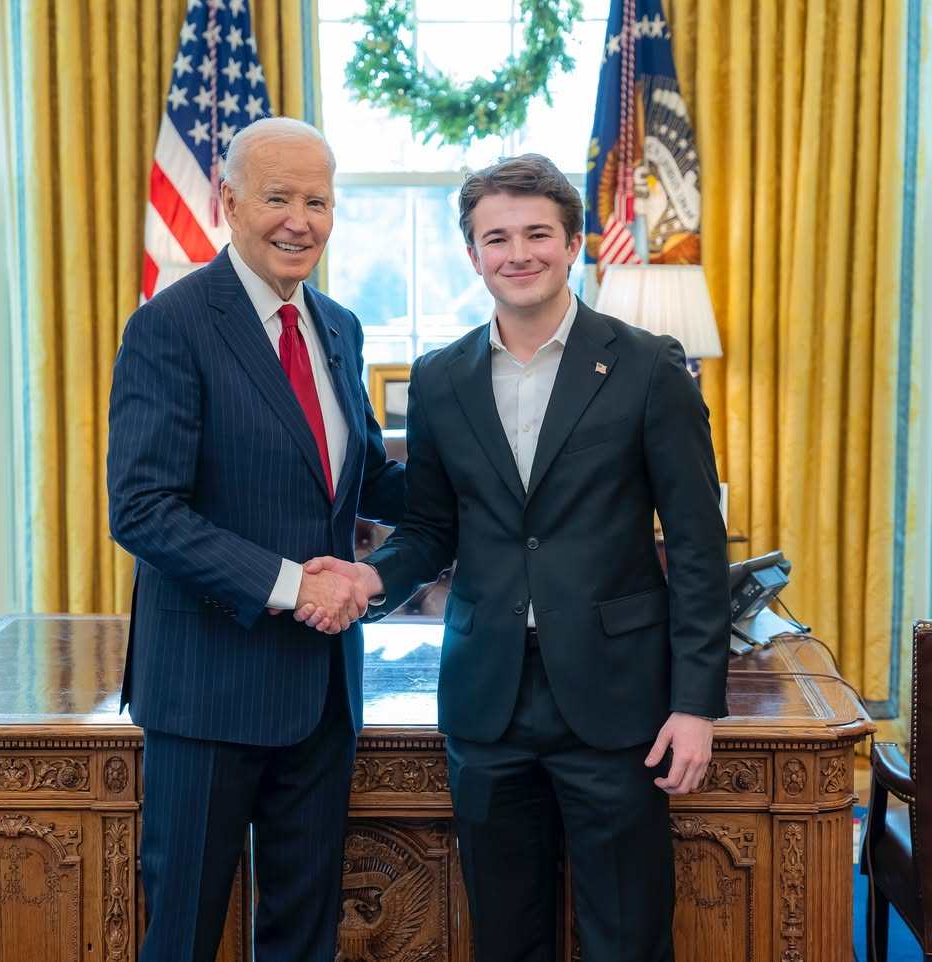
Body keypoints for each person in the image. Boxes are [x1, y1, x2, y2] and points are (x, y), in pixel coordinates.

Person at [302, 154, 730, 961]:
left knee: (627, 937)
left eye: (538, 233)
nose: (518, 252)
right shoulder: (439, 379)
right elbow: (431, 530)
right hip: (486, 702)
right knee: (505, 937)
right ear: (473, 255)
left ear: (573, 244)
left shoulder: (648, 368)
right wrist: (371, 577)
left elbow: (700, 548)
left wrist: (695, 703)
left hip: (617, 704)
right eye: (496, 237)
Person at [106, 117, 405, 962]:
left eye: (317, 200)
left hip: (322, 695)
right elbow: (142, 507)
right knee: (184, 934)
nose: (299, 219)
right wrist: (292, 583)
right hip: (207, 689)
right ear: (227, 201)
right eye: (278, 197)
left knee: (304, 935)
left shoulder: (338, 325)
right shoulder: (172, 326)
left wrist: (505, 469)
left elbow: (365, 477)